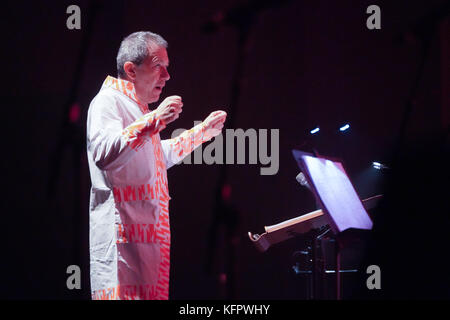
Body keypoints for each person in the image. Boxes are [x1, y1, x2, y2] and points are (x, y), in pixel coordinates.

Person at [86, 31, 227, 300]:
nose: (167, 76)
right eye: (158, 67)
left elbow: (155, 156)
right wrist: (155, 121)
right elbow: (104, 154)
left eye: (167, 67)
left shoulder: (136, 108)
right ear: (131, 70)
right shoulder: (107, 101)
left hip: (145, 245)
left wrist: (202, 133)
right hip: (123, 248)